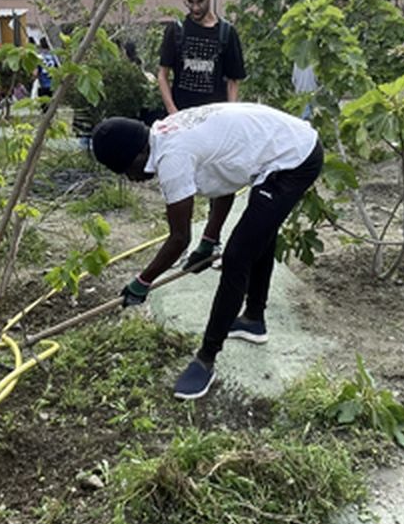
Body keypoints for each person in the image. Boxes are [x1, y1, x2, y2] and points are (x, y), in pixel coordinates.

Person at [90, 103, 324, 400]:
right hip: (279, 149)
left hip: (295, 157)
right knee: (258, 232)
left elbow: (178, 239)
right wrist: (209, 241)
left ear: (136, 157)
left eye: (126, 171)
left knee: (238, 254)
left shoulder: (172, 157)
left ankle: (206, 358)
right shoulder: (165, 131)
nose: (130, 179)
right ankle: (253, 320)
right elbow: (222, 182)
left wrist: (143, 281)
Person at [156, 0, 248, 268]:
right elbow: (162, 74)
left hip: (217, 120)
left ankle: (212, 238)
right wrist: (172, 112)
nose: (194, 7)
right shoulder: (177, 31)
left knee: (222, 178)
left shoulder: (226, 33)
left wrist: (231, 114)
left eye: (200, 1)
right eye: (189, 1)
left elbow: (233, 80)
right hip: (183, 120)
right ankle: (181, 242)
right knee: (182, 182)